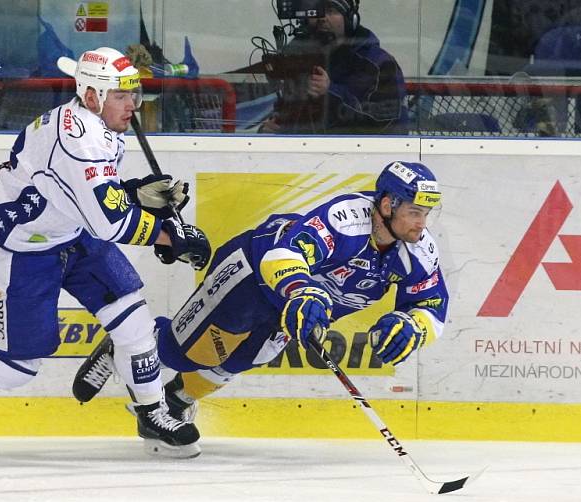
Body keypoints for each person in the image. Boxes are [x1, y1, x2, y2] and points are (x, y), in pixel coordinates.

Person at [0, 47, 212, 459]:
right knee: (15, 369)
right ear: (92, 95)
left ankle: (151, 412)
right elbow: (110, 224)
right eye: (121, 95)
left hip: (70, 232)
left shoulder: (96, 124)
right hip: (21, 246)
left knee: (133, 315)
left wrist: (133, 193)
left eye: (134, 92)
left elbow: (86, 198)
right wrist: (172, 235)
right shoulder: (79, 141)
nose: (133, 103)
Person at [73, 161, 449, 448]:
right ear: (387, 204)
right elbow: (284, 253)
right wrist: (302, 289)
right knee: (187, 355)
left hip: (295, 306)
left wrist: (414, 325)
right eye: (415, 212)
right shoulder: (347, 220)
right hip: (253, 273)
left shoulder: (417, 249)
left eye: (425, 214)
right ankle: (130, 343)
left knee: (240, 360)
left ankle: (175, 399)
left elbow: (432, 301)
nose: (421, 223)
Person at [259, 0, 407, 134]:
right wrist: (271, 130)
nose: (322, 18)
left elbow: (387, 123)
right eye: (316, 11)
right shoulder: (298, 57)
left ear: (350, 19)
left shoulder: (379, 64)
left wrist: (330, 92)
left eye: (331, 11)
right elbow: (287, 113)